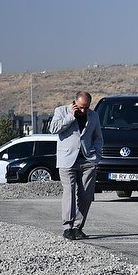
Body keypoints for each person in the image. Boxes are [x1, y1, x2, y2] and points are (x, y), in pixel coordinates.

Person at [49, 91, 103, 240]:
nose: (83, 110)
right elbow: (53, 129)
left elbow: (98, 137)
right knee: (69, 193)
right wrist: (70, 117)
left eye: (86, 107)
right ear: (74, 103)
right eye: (80, 107)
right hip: (67, 160)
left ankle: (78, 227)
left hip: (88, 161)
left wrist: (96, 156)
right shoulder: (61, 111)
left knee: (86, 196)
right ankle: (67, 227)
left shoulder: (94, 116)